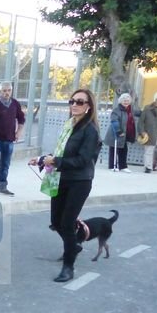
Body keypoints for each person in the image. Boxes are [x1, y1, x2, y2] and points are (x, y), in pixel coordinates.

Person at [29, 89, 101, 283]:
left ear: (88, 106)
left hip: (79, 181)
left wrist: (55, 161)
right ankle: (74, 245)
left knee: (67, 223)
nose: (74, 105)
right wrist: (42, 159)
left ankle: (69, 266)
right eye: (72, 101)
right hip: (60, 178)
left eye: (80, 102)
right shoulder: (70, 124)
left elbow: (83, 160)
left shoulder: (90, 130)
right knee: (56, 220)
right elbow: (61, 152)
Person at [0, 81, 25, 196]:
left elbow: (21, 119)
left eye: (9, 90)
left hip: (9, 139)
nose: (7, 93)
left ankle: (2, 186)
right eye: (4, 91)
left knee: (5, 164)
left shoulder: (15, 104)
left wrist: (18, 132)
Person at [106, 93, 139, 172]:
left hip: (125, 133)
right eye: (124, 100)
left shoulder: (130, 110)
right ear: (120, 101)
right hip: (116, 132)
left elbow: (138, 113)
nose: (126, 102)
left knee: (124, 150)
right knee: (114, 149)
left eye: (127, 100)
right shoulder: (116, 110)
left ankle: (123, 166)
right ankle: (112, 166)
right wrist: (118, 131)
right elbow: (114, 121)